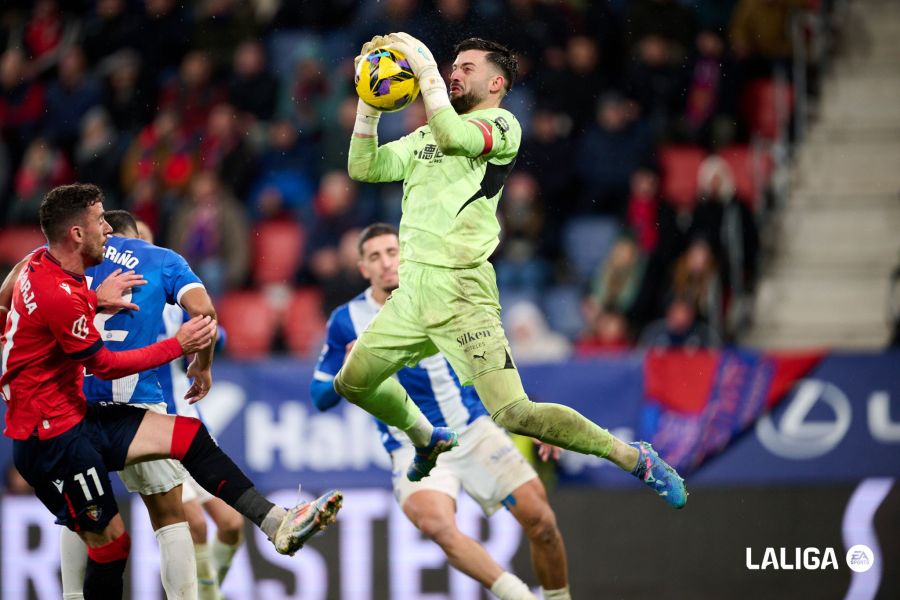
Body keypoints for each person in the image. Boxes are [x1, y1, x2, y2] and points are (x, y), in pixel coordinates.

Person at [338, 34, 687, 507]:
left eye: (465, 68)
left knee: (515, 414)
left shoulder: (502, 126)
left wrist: (423, 72)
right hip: (412, 292)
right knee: (352, 383)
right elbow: (364, 166)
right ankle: (426, 439)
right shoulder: (424, 136)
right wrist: (369, 100)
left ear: (496, 82)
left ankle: (632, 457)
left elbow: (453, 137)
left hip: (462, 294)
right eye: (451, 66)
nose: (453, 73)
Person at [0, 184, 341, 599]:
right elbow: (110, 359)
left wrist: (17, 355)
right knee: (125, 538)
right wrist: (183, 350)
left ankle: (275, 523)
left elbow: (9, 301)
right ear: (77, 233)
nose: (107, 229)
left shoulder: (35, 262)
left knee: (187, 438)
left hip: (80, 413)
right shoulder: (145, 266)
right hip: (57, 438)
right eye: (100, 222)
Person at [313, 224, 571, 600]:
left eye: (392, 252)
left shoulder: (441, 295)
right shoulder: (346, 321)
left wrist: (524, 416)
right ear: (362, 268)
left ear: (405, 254)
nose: (387, 263)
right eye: (375, 257)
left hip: (471, 429)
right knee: (437, 525)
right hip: (411, 446)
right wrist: (345, 373)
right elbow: (320, 396)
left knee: (542, 522)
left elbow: (483, 360)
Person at [139, 217, 245, 599]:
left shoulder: (172, 300)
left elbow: (212, 329)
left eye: (147, 245)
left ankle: (203, 589)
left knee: (232, 524)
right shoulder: (116, 309)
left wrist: (212, 340)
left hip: (190, 425)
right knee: (195, 525)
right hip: (153, 431)